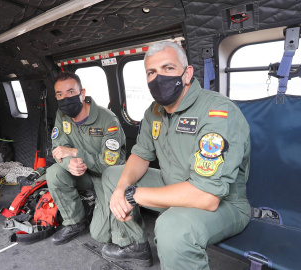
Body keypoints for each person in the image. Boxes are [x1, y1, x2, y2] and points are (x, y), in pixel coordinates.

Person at [99, 41, 251, 269]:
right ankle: (135, 245)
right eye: (152, 72)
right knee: (113, 175)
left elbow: (207, 197)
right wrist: (122, 188)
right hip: (174, 184)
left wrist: (133, 196)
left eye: (168, 68)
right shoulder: (154, 111)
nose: (159, 78)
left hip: (224, 203)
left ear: (187, 73)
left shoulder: (217, 111)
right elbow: (141, 155)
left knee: (172, 228)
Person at [47, 72, 126, 245]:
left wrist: (77, 153)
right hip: (83, 174)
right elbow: (58, 149)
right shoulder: (62, 115)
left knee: (100, 236)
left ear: (82, 93)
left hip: (106, 179)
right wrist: (70, 164)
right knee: (54, 173)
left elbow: (111, 165)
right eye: (60, 94)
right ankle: (74, 221)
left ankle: (102, 205)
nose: (65, 98)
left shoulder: (107, 120)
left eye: (70, 92)